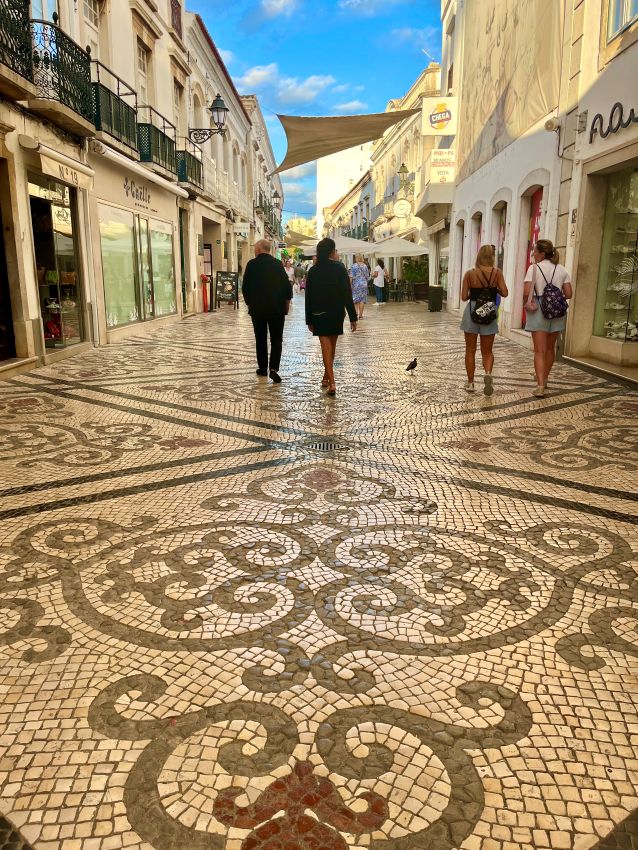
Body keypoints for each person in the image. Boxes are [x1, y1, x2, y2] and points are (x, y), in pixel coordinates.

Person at [305, 237, 357, 396]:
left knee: (327, 347)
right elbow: (347, 293)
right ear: (331, 252)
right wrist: (353, 316)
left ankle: (327, 376)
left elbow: (309, 296)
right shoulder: (340, 268)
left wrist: (309, 319)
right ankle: (331, 381)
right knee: (330, 346)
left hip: (318, 313)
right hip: (336, 312)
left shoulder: (313, 271)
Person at [523, 238, 572, 397]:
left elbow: (526, 291)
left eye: (535, 251)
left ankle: (540, 385)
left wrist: (529, 301)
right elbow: (569, 294)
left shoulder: (534, 268)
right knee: (550, 349)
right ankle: (545, 378)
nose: (533, 254)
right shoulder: (562, 269)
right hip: (557, 311)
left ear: (542, 253)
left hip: (538, 309)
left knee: (539, 350)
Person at [460, 244, 509, 395]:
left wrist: (474, 294)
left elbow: (463, 297)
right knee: (487, 351)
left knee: (470, 350)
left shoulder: (470, 273)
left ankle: (470, 383)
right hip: (489, 310)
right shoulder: (497, 273)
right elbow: (505, 293)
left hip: (472, 312)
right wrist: (493, 290)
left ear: (479, 256)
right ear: (492, 257)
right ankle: (487, 373)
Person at [241, 239, 292, 383]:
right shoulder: (277, 264)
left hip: (258, 310)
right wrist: (286, 304)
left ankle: (262, 368)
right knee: (276, 339)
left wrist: (249, 303)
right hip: (276, 309)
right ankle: (273, 369)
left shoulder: (251, 264)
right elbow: (287, 287)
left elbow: (245, 287)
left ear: (258, 250)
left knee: (260, 339)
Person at [349, 253, 369, 319]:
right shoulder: (365, 266)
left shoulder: (353, 266)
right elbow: (367, 277)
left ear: (356, 258)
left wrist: (350, 284)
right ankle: (361, 315)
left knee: (355, 299)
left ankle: (356, 314)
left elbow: (351, 276)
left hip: (356, 285)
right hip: (364, 284)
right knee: (362, 300)